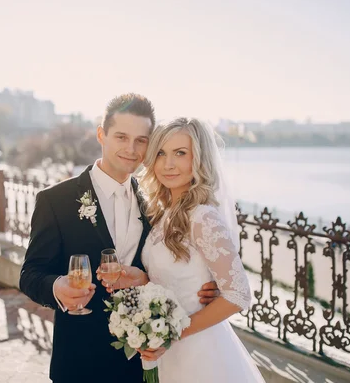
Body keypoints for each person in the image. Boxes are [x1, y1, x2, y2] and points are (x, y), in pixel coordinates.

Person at [19, 94, 219, 383]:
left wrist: (202, 287)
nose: (131, 149)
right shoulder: (55, 200)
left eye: (141, 140)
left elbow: (166, 267)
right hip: (80, 361)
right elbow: (30, 274)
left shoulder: (155, 202)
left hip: (142, 361)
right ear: (102, 134)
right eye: (122, 137)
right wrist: (57, 287)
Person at [100, 117, 264, 382]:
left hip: (198, 352)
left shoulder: (203, 217)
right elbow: (177, 278)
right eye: (162, 153)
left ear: (198, 160)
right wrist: (142, 279)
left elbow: (238, 295)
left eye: (180, 153)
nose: (168, 164)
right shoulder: (166, 213)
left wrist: (173, 334)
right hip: (167, 352)